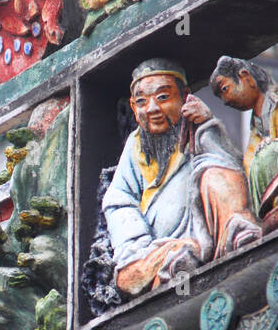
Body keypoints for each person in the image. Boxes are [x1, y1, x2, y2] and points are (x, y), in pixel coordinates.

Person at [102, 58, 262, 297]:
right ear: (134, 109)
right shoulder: (134, 147)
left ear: (184, 96)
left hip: (203, 232)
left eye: (163, 97)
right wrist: (140, 245)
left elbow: (230, 168)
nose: (153, 109)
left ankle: (236, 232)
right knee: (127, 278)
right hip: (156, 247)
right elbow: (119, 201)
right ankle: (172, 259)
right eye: (143, 102)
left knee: (213, 170)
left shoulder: (198, 125)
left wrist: (208, 126)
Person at [210, 55, 278, 217]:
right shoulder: (254, 136)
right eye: (220, 97)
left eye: (225, 89)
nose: (225, 101)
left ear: (245, 77)